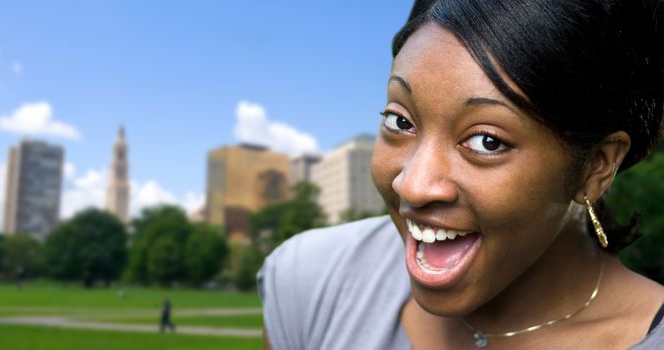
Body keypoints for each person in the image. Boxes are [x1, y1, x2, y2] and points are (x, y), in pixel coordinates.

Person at [258, 0, 664, 349]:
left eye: (487, 141)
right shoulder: (310, 281)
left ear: (597, 164)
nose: (412, 186)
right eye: (400, 121)